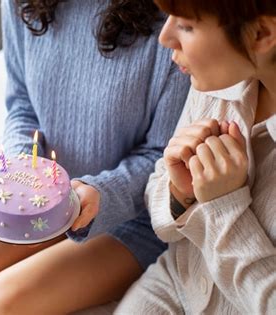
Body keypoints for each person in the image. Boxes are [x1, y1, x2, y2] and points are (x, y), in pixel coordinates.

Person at [0, 0, 190, 314]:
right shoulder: (20, 3)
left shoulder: (174, 21)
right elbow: (22, 106)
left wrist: (95, 195)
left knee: (3, 304)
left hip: (133, 217)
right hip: (41, 203)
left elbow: (162, 157)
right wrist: (17, 173)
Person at [116, 0, 276, 313]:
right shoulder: (219, 77)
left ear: (261, 32)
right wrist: (181, 194)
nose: (164, 36)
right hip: (173, 283)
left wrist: (223, 207)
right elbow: (160, 206)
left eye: (187, 26)